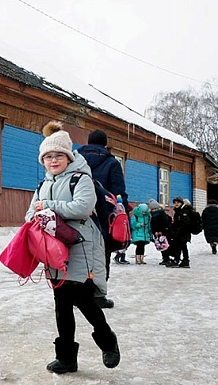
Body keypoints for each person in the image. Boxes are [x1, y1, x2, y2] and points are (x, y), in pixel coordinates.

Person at [26, 121, 120, 375]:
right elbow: (29, 214)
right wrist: (37, 214)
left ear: (68, 156)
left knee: (85, 300)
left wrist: (48, 206)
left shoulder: (81, 179)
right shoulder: (42, 185)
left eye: (58, 155)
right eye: (48, 156)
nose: (53, 160)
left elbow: (82, 207)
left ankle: (108, 342)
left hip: (81, 246)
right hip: (53, 249)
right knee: (62, 303)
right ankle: (66, 358)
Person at [77, 129, 130, 308]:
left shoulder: (75, 159)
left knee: (79, 253)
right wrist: (123, 211)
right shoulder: (111, 162)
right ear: (105, 144)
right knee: (101, 255)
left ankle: (78, 294)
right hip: (104, 216)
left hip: (79, 213)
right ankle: (98, 296)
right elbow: (118, 192)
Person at [167, 197, 192, 268]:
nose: (176, 204)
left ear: (181, 203)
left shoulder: (183, 211)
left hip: (183, 233)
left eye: (178, 202)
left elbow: (185, 223)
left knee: (178, 246)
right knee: (183, 247)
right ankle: (185, 261)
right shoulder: (178, 211)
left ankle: (176, 260)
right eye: (175, 203)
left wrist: (178, 230)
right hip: (180, 232)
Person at [148, 199, 173, 265]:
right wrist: (155, 232)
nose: (154, 210)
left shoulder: (162, 214)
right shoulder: (153, 216)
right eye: (153, 209)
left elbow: (165, 223)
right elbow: (152, 225)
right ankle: (164, 258)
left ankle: (167, 258)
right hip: (157, 234)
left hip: (164, 233)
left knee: (165, 245)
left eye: (155, 209)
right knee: (160, 246)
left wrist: (161, 231)